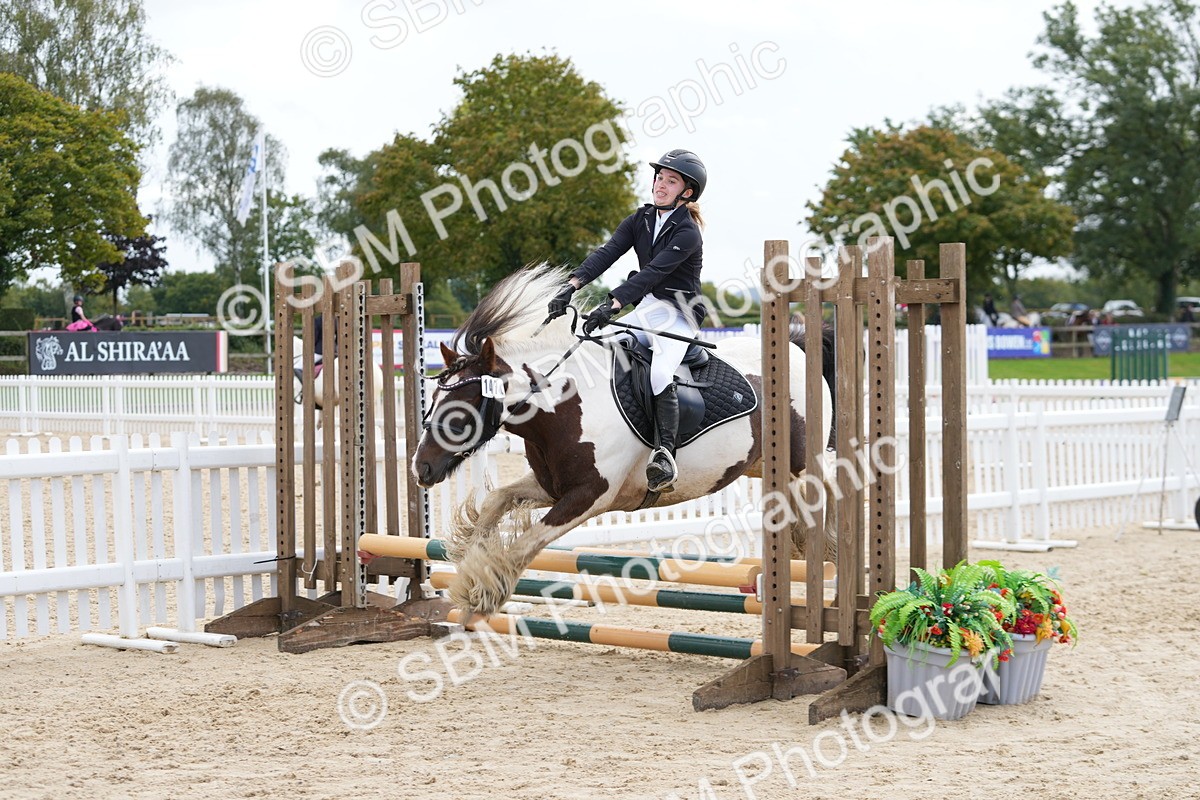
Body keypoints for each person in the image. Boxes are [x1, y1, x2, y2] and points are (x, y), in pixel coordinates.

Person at [546, 148, 707, 493]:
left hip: (678, 314)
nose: (661, 185)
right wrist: (570, 287)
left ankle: (665, 453)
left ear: (687, 192)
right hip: (648, 308)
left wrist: (614, 303)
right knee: (598, 350)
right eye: (659, 177)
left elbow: (653, 272)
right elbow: (606, 253)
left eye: (671, 180)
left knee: (661, 372)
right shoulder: (641, 219)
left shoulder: (688, 232)